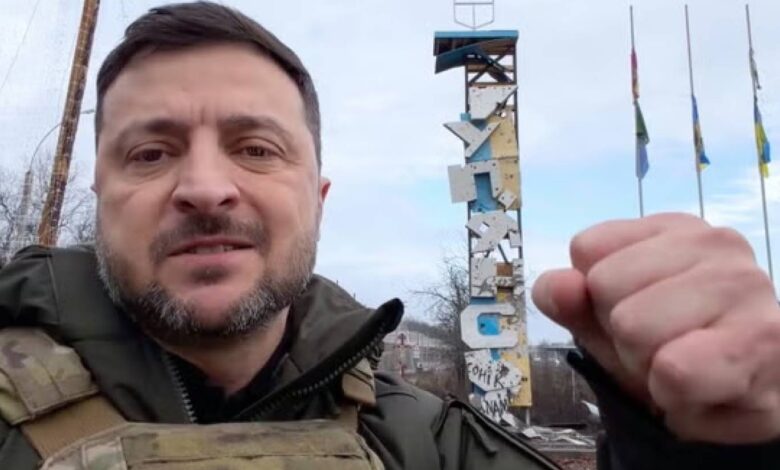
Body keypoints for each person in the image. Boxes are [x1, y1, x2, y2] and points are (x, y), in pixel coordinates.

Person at [1, 2, 780, 469]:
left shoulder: (434, 446)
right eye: (150, 153)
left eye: (256, 148)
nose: (205, 186)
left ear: (318, 199)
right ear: (102, 197)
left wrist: (701, 449)